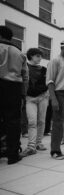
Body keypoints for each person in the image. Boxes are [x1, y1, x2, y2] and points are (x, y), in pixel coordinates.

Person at [0, 26, 29, 164]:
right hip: (13, 87)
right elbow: (25, 76)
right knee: (13, 121)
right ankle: (13, 154)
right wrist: (23, 94)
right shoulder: (20, 53)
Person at [21, 48, 49, 157]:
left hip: (43, 97)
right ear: (31, 56)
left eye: (40, 56)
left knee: (41, 121)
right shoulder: (24, 67)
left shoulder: (44, 69)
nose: (40, 58)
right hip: (29, 98)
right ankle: (31, 146)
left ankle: (39, 143)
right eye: (38, 56)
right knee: (32, 121)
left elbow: (47, 83)